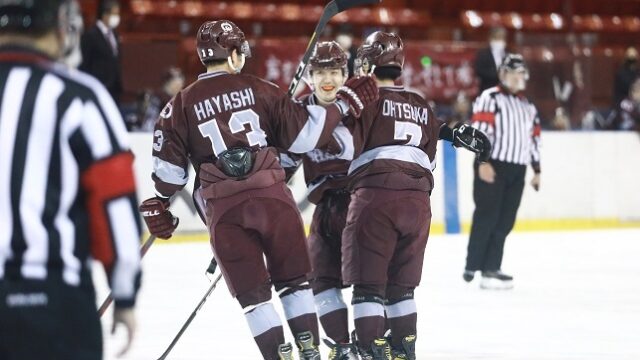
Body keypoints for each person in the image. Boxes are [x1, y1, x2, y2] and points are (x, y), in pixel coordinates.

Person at [138, 20, 378, 360]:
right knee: (294, 283)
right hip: (273, 200)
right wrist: (341, 106)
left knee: (255, 301)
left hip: (224, 212)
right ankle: (309, 351)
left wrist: (160, 204)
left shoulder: (177, 106)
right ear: (234, 54)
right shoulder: (260, 88)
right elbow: (303, 138)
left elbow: (169, 177)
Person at [0, 1, 141, 359]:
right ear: (61, 25)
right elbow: (115, 202)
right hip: (52, 304)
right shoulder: (78, 96)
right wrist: (124, 295)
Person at [342, 31, 490, 359]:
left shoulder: (361, 99)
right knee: (402, 287)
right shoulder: (422, 104)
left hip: (376, 199)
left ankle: (369, 349)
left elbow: (340, 148)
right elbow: (430, 161)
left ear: (366, 63)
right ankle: (404, 348)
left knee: (368, 287)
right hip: (418, 204)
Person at [280, 41, 360, 360]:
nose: (328, 79)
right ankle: (343, 346)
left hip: (361, 204)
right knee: (321, 281)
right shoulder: (299, 110)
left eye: (335, 72)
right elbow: (285, 165)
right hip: (326, 209)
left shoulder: (360, 105)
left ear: (346, 75)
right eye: (321, 72)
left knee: (369, 283)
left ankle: (373, 344)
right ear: (310, 76)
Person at [464, 53, 542, 290]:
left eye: (521, 73)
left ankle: (491, 268)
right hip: (493, 165)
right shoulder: (491, 98)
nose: (518, 78)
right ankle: (473, 264)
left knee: (505, 220)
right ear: (503, 74)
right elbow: (481, 132)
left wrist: (537, 169)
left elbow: (534, 139)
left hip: (517, 169)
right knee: (487, 216)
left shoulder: (527, 106)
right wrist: (483, 162)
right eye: (513, 73)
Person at [79, 0, 122, 105]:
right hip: (98, 89)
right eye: (114, 14)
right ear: (105, 14)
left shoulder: (114, 35)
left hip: (114, 91)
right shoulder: (91, 35)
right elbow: (84, 64)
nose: (117, 17)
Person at [474, 27, 507, 93]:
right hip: (488, 90)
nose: (499, 41)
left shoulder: (508, 54)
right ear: (491, 39)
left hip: (504, 92)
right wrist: (497, 75)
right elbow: (479, 71)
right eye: (497, 38)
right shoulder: (483, 54)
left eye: (501, 38)